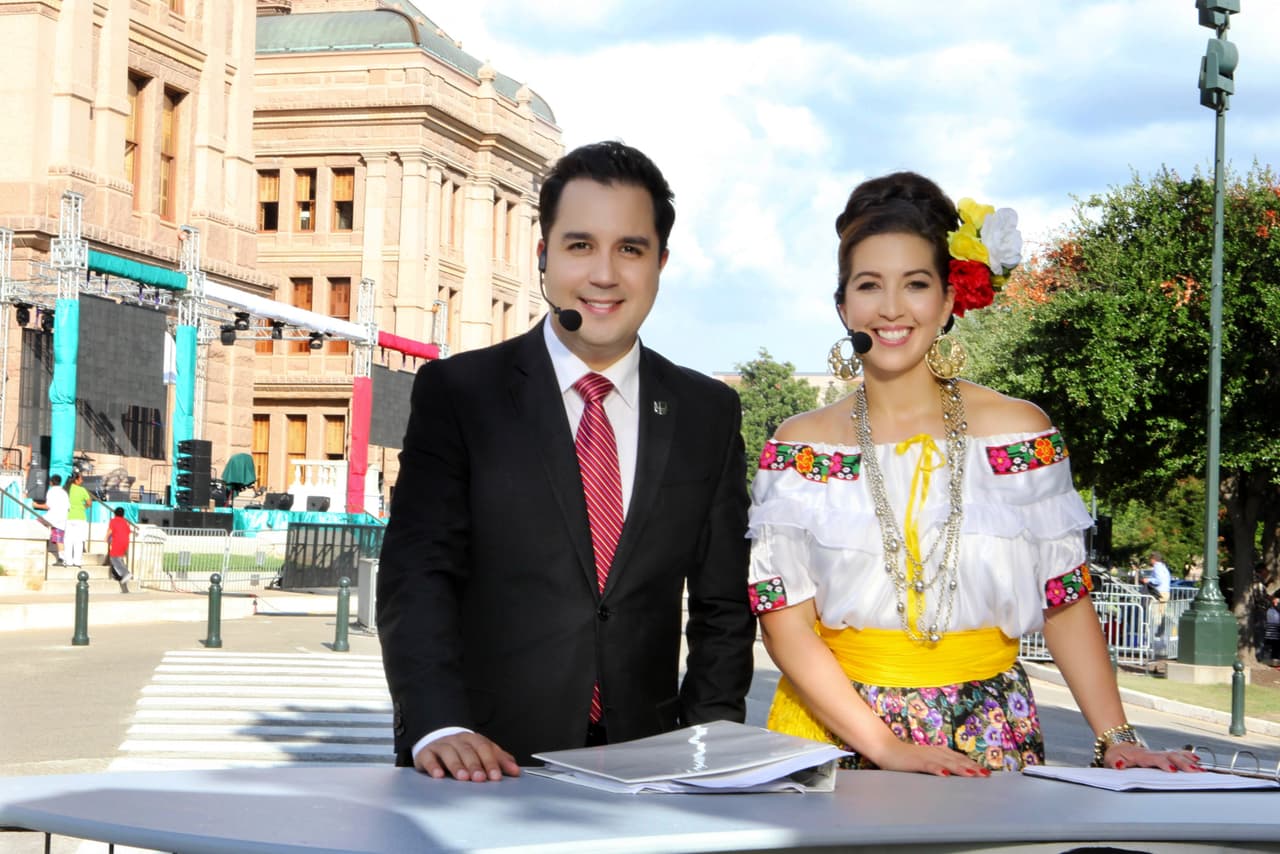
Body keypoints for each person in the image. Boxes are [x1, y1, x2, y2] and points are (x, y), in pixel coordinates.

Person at [748, 171, 1200, 776]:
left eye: (914, 284)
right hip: (837, 734)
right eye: (868, 286)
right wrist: (883, 747)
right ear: (843, 305)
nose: (890, 309)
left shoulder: (1021, 433)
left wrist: (1116, 737)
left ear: (948, 300)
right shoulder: (798, 448)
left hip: (990, 729)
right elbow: (784, 625)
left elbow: (1065, 600)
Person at [377, 141, 756, 783]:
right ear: (543, 257)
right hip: (484, 764)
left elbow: (723, 605)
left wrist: (707, 741)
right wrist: (439, 723)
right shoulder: (461, 394)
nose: (604, 274)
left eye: (630, 249)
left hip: (655, 774)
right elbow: (418, 574)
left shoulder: (707, 411)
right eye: (580, 245)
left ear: (661, 263)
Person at [64, 471, 93, 568]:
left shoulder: (66, 489)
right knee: (78, 540)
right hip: (80, 517)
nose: (82, 480)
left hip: (68, 517)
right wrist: (83, 507)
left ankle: (68, 561)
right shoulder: (82, 490)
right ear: (76, 480)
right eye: (80, 478)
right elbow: (89, 503)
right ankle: (77, 561)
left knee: (68, 540)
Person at [1144, 551, 1172, 639]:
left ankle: (1152, 635)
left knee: (1154, 614)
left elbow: (1158, 580)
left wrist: (1148, 580)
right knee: (1162, 614)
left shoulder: (1157, 567)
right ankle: (1160, 634)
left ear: (1153, 559)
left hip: (1159, 593)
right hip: (1165, 592)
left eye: (1150, 559)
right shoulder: (1164, 567)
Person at [43, 473, 70, 565]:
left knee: (38, 524)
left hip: (52, 517)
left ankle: (44, 543)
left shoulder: (51, 492)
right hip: (62, 518)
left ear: (51, 482)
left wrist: (36, 505)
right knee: (59, 538)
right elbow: (68, 507)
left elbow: (48, 506)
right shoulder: (64, 492)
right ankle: (62, 558)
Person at [106, 506, 132, 593]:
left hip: (117, 541)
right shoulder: (125, 522)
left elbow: (110, 530)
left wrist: (106, 537)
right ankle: (119, 576)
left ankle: (125, 573)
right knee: (119, 558)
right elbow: (128, 531)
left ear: (115, 513)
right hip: (125, 542)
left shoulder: (113, 521)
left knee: (113, 558)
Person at [1264, 594, 1280, 666]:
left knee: (1275, 646)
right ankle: (1271, 660)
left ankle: (1275, 660)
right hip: (1269, 630)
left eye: (1277, 601)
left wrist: (1276, 606)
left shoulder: (1278, 608)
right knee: (1270, 645)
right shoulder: (1268, 608)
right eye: (1274, 601)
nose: (1275, 602)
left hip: (1276, 630)